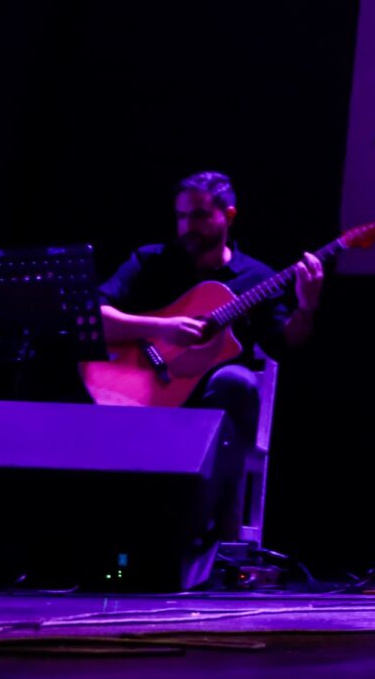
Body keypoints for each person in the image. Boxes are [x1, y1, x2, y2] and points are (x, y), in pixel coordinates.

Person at [98, 171, 322, 537]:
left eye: (199, 215)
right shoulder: (151, 261)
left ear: (229, 216)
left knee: (236, 381)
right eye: (181, 216)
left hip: (213, 401)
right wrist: (161, 328)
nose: (188, 226)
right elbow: (96, 316)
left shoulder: (256, 278)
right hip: (146, 390)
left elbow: (286, 343)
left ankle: (208, 536)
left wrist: (307, 307)